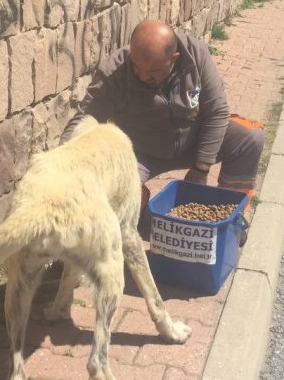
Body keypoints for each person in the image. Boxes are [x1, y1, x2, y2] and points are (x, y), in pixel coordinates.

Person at [61, 19, 264, 231]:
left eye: (152, 72)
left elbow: (217, 113)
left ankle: (231, 220)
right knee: (115, 194)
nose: (142, 76)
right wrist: (61, 160)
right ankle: (147, 221)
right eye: (136, 67)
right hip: (139, 152)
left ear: (173, 59)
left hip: (194, 140)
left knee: (249, 138)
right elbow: (86, 117)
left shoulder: (196, 55)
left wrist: (201, 167)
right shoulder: (115, 71)